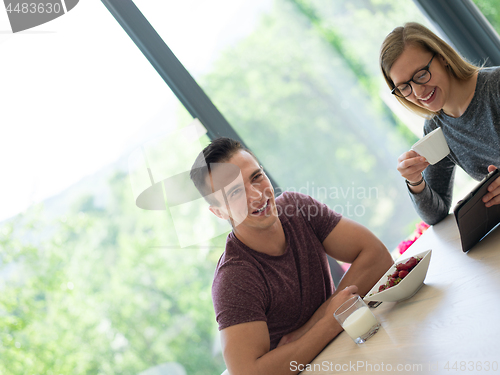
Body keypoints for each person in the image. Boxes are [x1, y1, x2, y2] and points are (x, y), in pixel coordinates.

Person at [189, 137, 393, 375]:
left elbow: (378, 256)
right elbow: (249, 373)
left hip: (343, 354)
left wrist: (318, 321)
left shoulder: (297, 207)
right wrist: (330, 321)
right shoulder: (234, 279)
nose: (256, 195)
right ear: (219, 212)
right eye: (235, 192)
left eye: (256, 177)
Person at [379, 22, 500, 225]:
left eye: (421, 75)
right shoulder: (436, 129)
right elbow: (435, 215)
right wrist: (415, 180)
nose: (418, 93)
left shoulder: (495, 86)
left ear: (442, 57)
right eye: (404, 87)